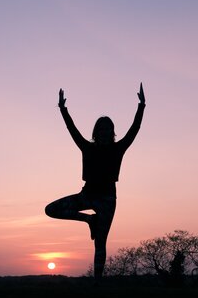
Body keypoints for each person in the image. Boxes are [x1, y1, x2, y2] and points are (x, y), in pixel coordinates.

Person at [45, 83, 146, 280]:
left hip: (107, 200)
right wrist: (63, 109)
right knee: (51, 209)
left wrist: (141, 105)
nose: (104, 132)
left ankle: (97, 284)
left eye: (108, 129)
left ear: (112, 132)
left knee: (100, 243)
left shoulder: (118, 148)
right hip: (87, 195)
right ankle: (89, 220)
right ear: (96, 132)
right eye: (101, 129)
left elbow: (135, 129)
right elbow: (71, 130)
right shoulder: (87, 148)